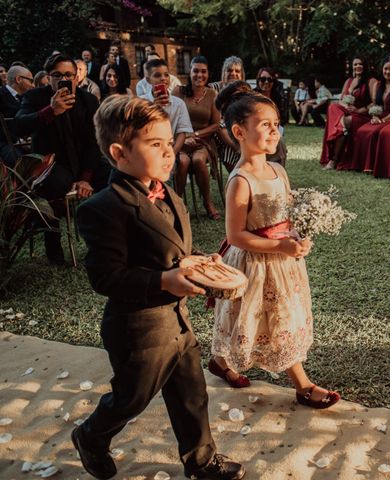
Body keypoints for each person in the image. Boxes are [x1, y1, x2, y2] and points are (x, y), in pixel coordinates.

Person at [73, 95, 245, 480]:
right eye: (156, 145)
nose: (169, 153)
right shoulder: (103, 207)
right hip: (138, 328)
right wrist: (164, 280)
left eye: (170, 143)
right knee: (131, 399)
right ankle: (90, 436)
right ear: (119, 152)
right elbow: (105, 277)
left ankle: (201, 462)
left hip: (177, 321)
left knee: (191, 394)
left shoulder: (166, 191)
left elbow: (172, 250)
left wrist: (200, 261)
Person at [210, 87, 341, 410]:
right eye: (265, 124)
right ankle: (303, 384)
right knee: (257, 318)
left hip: (283, 261)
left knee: (272, 318)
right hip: (255, 262)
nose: (274, 130)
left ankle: (218, 361)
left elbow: (287, 215)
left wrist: (298, 235)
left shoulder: (279, 171)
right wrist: (279, 247)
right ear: (239, 132)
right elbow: (236, 235)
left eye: (276, 123)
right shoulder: (240, 180)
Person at [13, 54, 110, 265]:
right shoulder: (36, 97)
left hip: (85, 164)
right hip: (51, 166)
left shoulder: (89, 100)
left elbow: (95, 142)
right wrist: (50, 111)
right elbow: (18, 125)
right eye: (57, 75)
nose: (63, 79)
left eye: (68, 75)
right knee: (55, 184)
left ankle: (106, 244)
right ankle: (54, 250)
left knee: (112, 177)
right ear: (48, 77)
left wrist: (85, 177)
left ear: (77, 78)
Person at [173, 56, 222, 220]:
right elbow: (169, 118)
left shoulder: (212, 94)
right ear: (190, 72)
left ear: (207, 74)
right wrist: (184, 137)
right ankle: (177, 203)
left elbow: (216, 125)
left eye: (203, 71)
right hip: (180, 141)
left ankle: (208, 203)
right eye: (196, 71)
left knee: (198, 160)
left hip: (203, 142)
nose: (199, 75)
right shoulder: (178, 92)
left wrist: (195, 134)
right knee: (184, 161)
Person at [347, 58, 390, 172]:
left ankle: (374, 166)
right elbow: (375, 104)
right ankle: (361, 165)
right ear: (382, 70)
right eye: (385, 69)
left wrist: (384, 120)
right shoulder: (378, 85)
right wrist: (374, 116)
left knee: (374, 132)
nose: (387, 72)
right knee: (362, 130)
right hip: (378, 115)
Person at [320, 56, 375, 169]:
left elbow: (374, 102)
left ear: (365, 66)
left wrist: (358, 110)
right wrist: (346, 105)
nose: (357, 66)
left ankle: (334, 160)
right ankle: (342, 127)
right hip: (347, 111)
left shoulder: (371, 81)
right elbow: (341, 99)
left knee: (346, 121)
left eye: (360, 64)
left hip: (362, 114)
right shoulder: (349, 81)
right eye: (355, 64)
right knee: (333, 107)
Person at [140, 58, 193, 160]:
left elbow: (182, 132)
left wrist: (172, 154)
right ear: (148, 79)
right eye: (157, 75)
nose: (163, 78)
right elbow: (138, 129)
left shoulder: (178, 103)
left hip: (170, 150)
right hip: (147, 152)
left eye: (166, 74)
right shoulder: (141, 102)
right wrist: (153, 108)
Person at [209, 56, 245, 171]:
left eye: (237, 71)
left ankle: (243, 177)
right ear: (223, 73)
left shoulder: (245, 91)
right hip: (216, 133)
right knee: (222, 127)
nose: (233, 73)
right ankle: (239, 175)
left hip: (237, 132)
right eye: (229, 70)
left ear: (242, 75)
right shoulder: (213, 88)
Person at [0, 65, 35, 166]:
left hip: (25, 142)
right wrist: (18, 140)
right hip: (5, 143)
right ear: (18, 79)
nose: (33, 85)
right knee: (21, 162)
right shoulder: (1, 94)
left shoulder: (28, 97)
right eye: (30, 81)